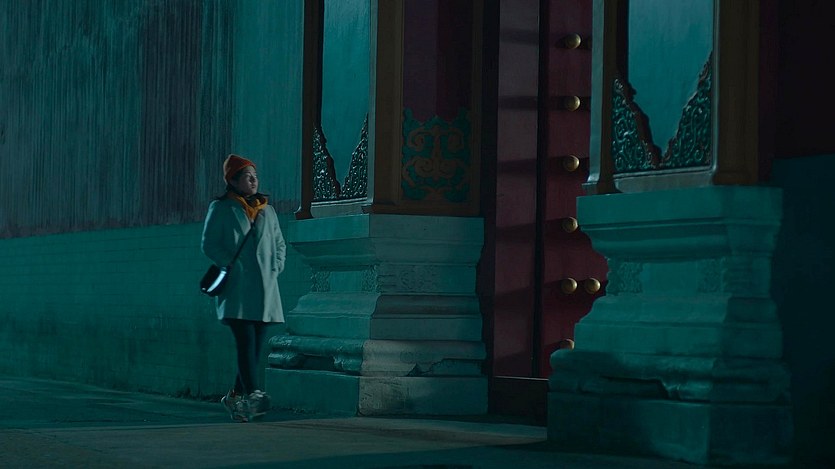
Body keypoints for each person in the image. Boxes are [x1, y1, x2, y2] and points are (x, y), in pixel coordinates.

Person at [201, 154, 286, 422]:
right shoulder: (221, 208)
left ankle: (235, 396)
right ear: (233, 180)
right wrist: (232, 264)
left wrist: (276, 266)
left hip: (264, 288)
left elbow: (279, 243)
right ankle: (254, 394)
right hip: (237, 290)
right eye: (248, 177)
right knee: (245, 343)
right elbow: (209, 243)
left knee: (255, 348)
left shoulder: (267, 210)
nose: (253, 181)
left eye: (255, 176)